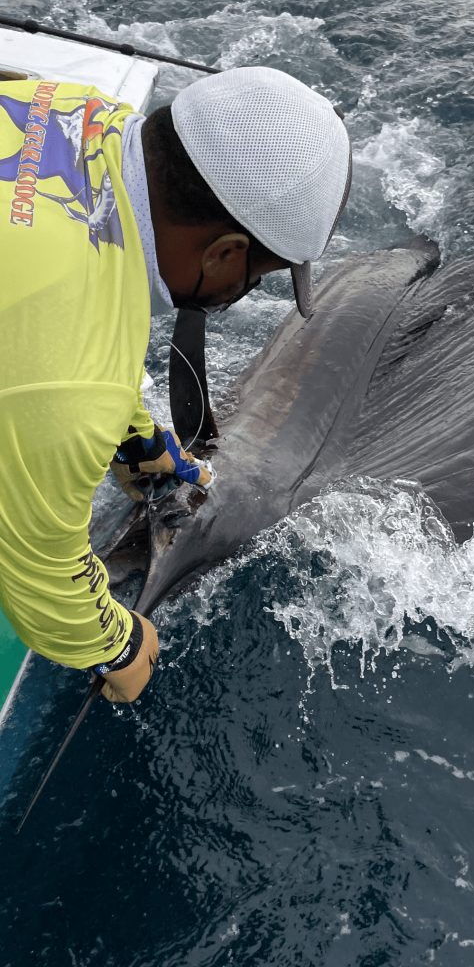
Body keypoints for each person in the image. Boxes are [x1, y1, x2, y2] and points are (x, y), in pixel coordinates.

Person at [0, 66, 351, 704]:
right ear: (222, 254)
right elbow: (38, 574)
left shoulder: (78, 111)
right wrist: (117, 645)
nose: (243, 291)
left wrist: (133, 436)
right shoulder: (73, 382)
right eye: (256, 278)